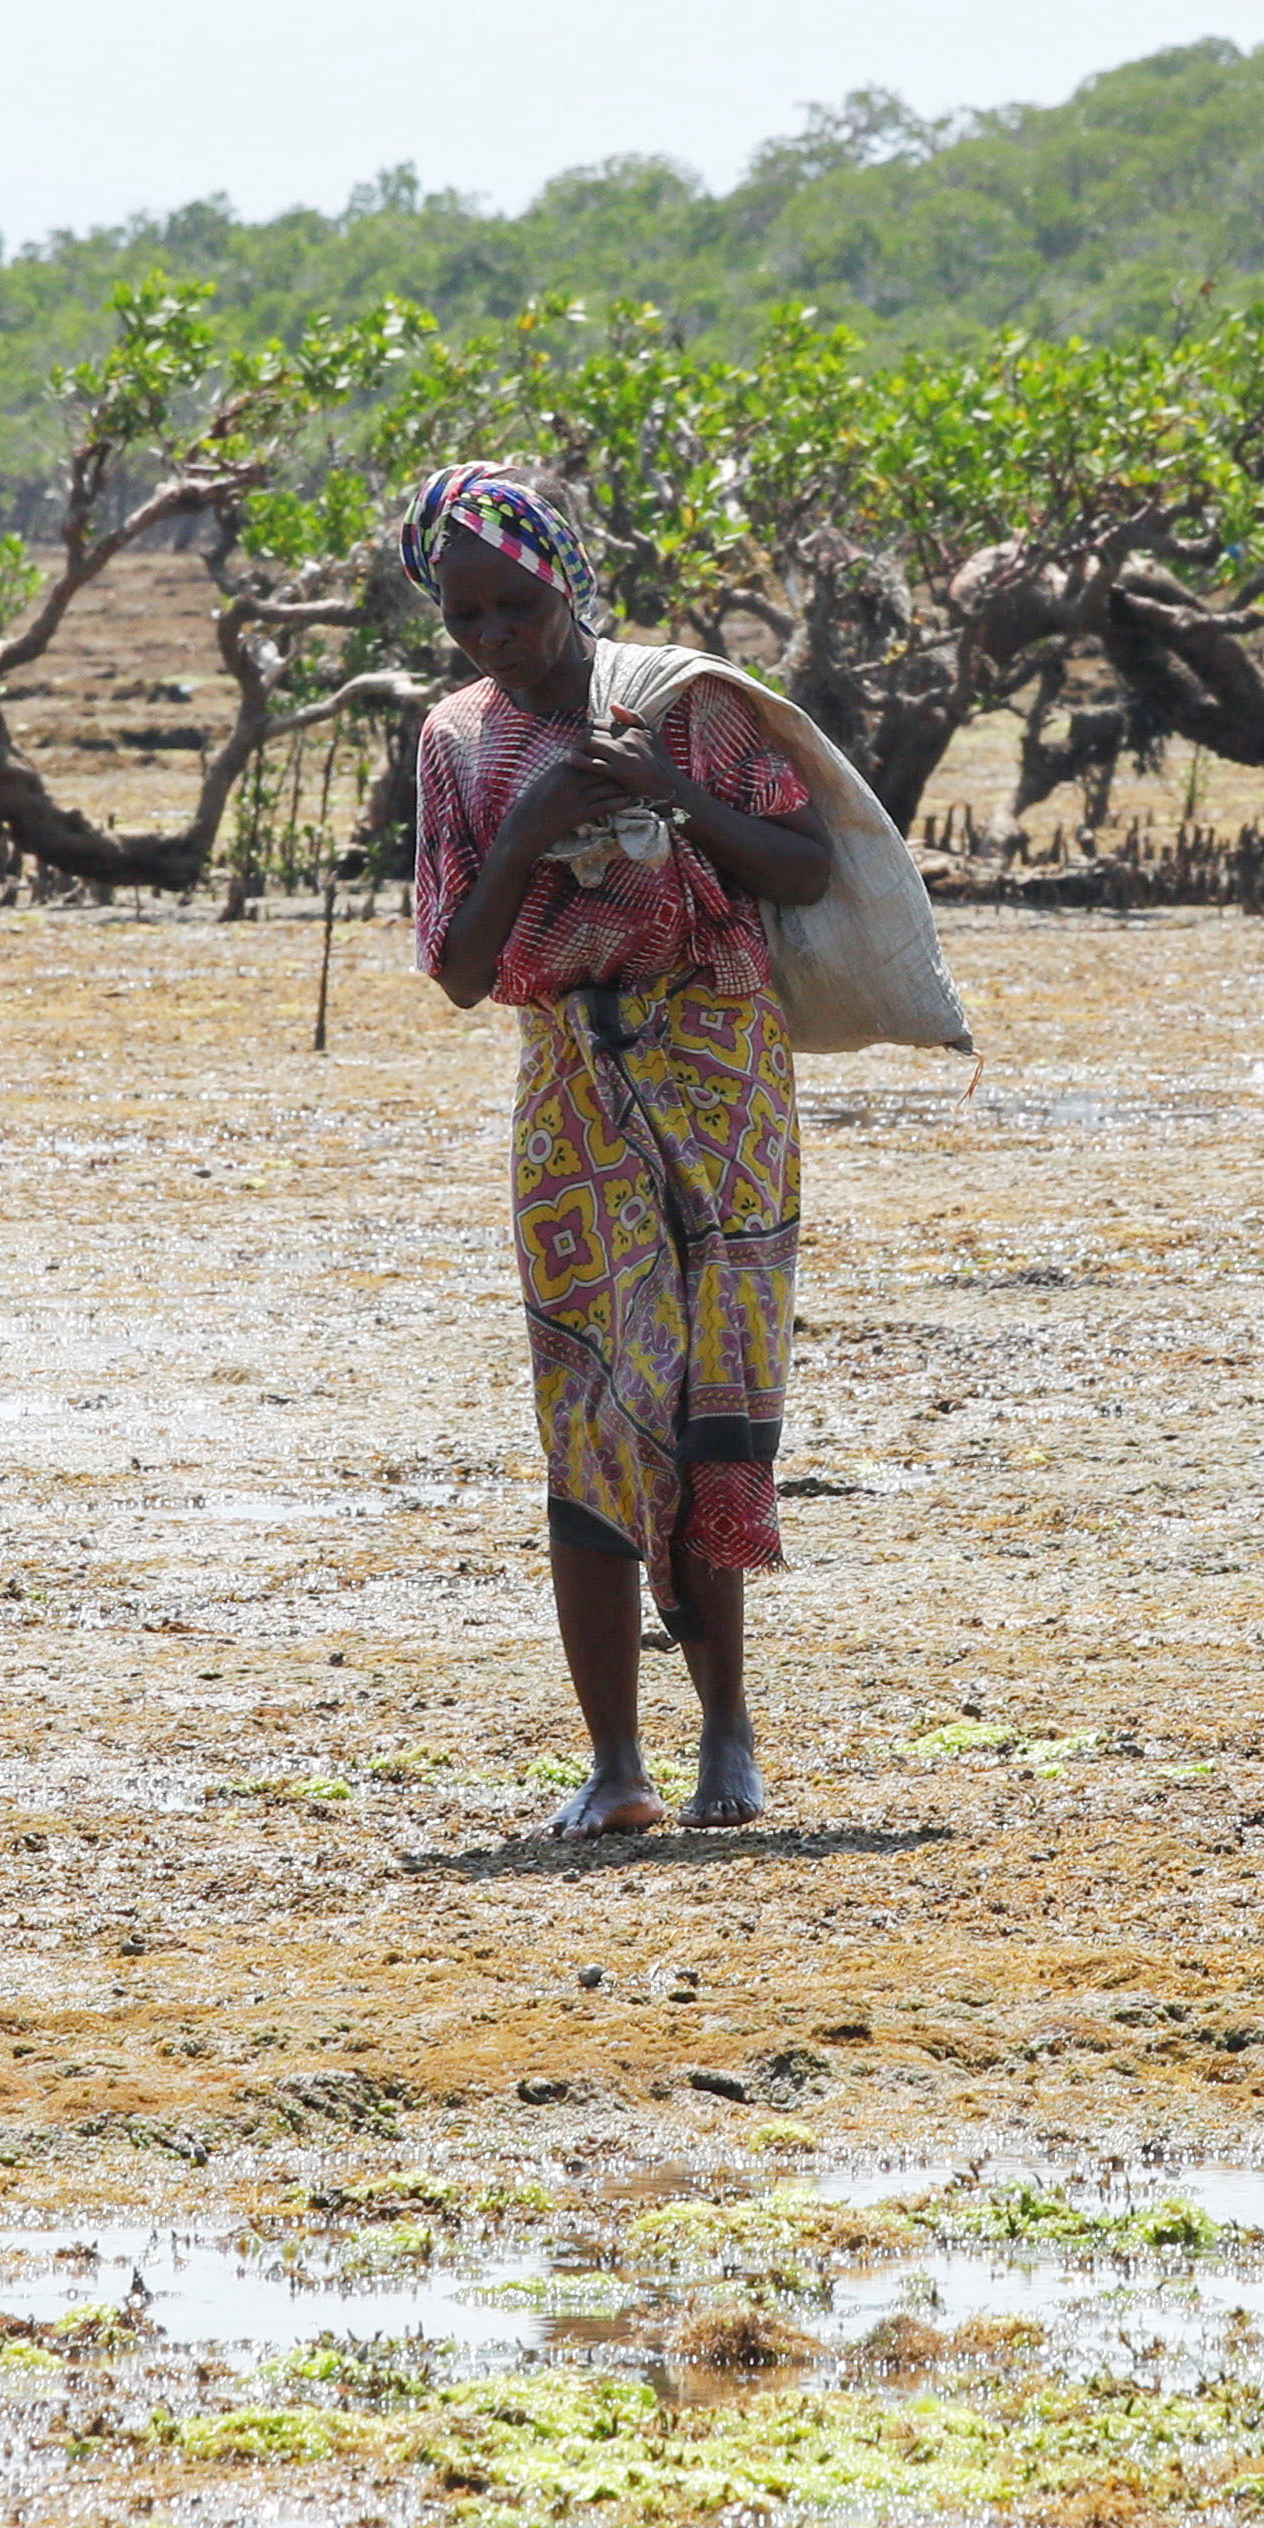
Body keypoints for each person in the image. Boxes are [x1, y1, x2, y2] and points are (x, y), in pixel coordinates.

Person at [397, 466, 835, 1838]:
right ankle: (613, 1760)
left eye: (512, 608)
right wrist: (529, 835)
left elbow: (804, 864)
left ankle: (726, 1734)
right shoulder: (455, 746)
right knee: (592, 1407)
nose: (491, 642)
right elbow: (462, 968)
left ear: (565, 580)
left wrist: (666, 793)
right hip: (571, 1088)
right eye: (463, 618)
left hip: (719, 1068)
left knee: (711, 1401)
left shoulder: (683, 704)